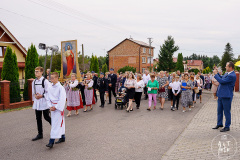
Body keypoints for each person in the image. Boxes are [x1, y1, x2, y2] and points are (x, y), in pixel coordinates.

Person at [212, 62, 236, 132]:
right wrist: (217, 73)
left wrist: (216, 74)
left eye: (226, 66)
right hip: (221, 95)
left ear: (230, 67)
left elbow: (222, 81)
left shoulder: (232, 75)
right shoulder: (227, 73)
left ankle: (227, 126)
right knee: (219, 111)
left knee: (226, 112)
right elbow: (221, 78)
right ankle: (219, 123)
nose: (225, 67)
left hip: (226, 96)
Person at [46, 72, 66, 148]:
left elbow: (62, 99)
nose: (51, 79)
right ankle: (62, 137)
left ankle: (51, 141)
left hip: (58, 108)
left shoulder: (61, 88)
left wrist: (56, 107)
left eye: (53, 78)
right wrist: (50, 106)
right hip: (52, 107)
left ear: (57, 78)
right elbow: (47, 97)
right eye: (50, 78)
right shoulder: (50, 87)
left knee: (55, 124)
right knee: (60, 122)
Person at [32, 67, 51, 141]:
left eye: (37, 71)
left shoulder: (45, 81)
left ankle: (57, 129)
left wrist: (42, 96)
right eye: (35, 71)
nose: (36, 73)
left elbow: (48, 92)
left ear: (41, 72)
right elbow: (33, 92)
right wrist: (35, 97)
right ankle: (40, 134)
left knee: (46, 117)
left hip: (44, 102)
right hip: (37, 103)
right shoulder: (34, 81)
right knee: (38, 118)